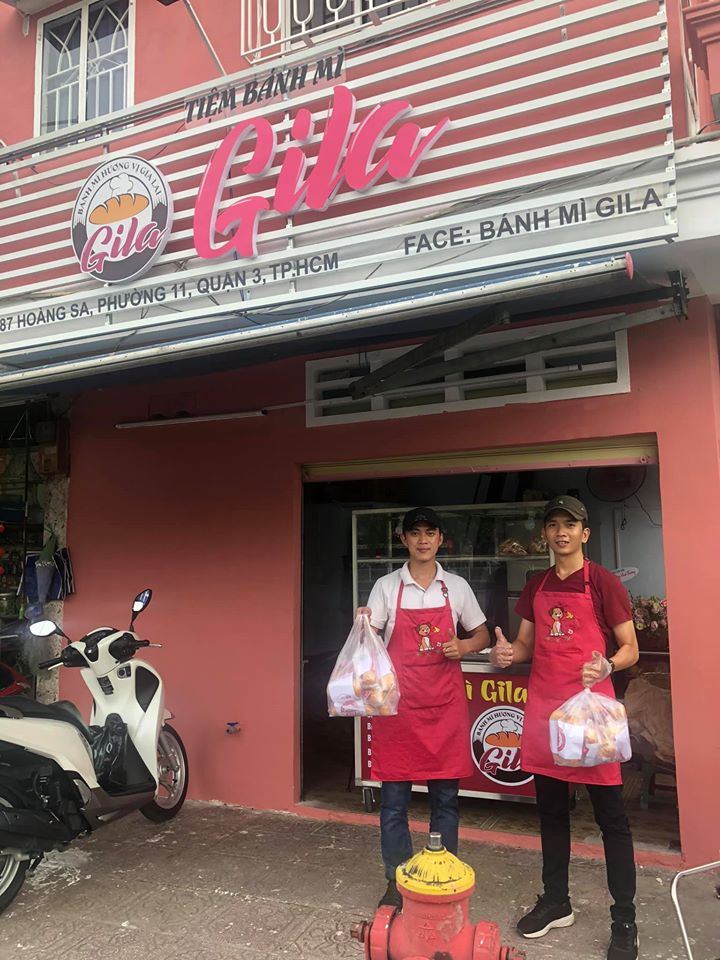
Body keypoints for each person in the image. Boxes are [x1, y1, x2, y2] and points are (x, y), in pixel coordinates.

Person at [491, 495, 640, 960]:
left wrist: (608, 665)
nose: (562, 532)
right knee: (551, 814)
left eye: (570, 525)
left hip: (592, 720)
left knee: (611, 819)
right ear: (545, 534)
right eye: (554, 525)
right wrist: (507, 654)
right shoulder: (536, 584)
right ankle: (557, 901)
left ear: (584, 533)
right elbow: (525, 645)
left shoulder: (603, 582)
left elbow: (630, 647)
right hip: (546, 716)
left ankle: (624, 920)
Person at [358, 506, 490, 909]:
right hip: (399, 710)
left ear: (440, 539)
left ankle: (442, 875)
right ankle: (395, 880)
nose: (422, 540)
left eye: (430, 533)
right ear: (403, 539)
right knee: (394, 802)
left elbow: (482, 634)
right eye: (414, 533)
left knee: (445, 800)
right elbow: (370, 640)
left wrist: (463, 646)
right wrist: (362, 624)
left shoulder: (457, 587)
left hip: (444, 708)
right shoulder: (386, 587)